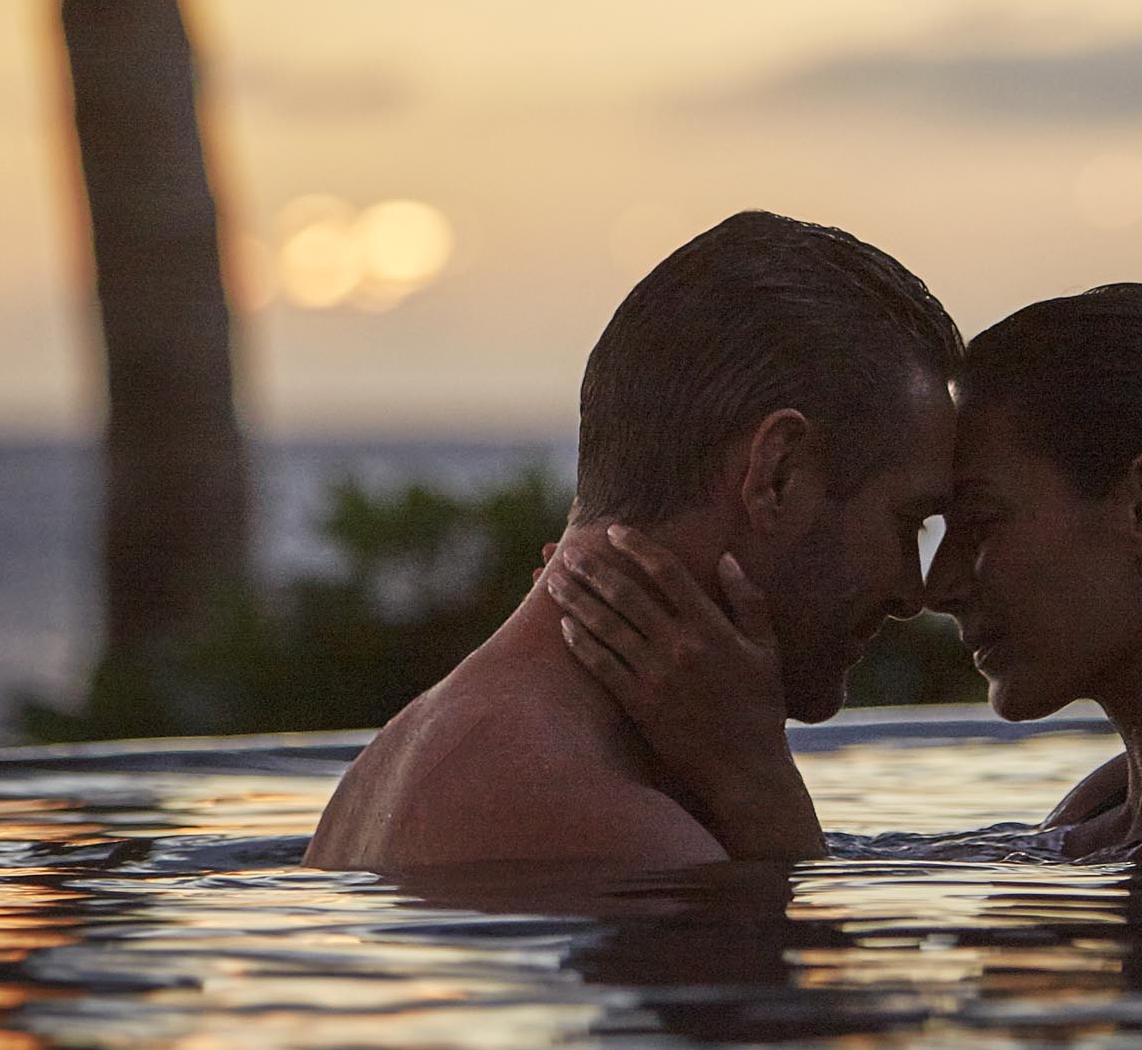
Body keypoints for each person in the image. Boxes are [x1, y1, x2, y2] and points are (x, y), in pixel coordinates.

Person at [551, 280, 1142, 872]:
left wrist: (751, 777)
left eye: (982, 522)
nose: (939, 585)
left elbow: (815, 1016)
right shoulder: (1120, 806)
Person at [304, 211, 958, 876]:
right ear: (777, 475)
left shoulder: (429, 750)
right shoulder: (598, 826)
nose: (914, 591)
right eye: (907, 522)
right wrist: (762, 798)